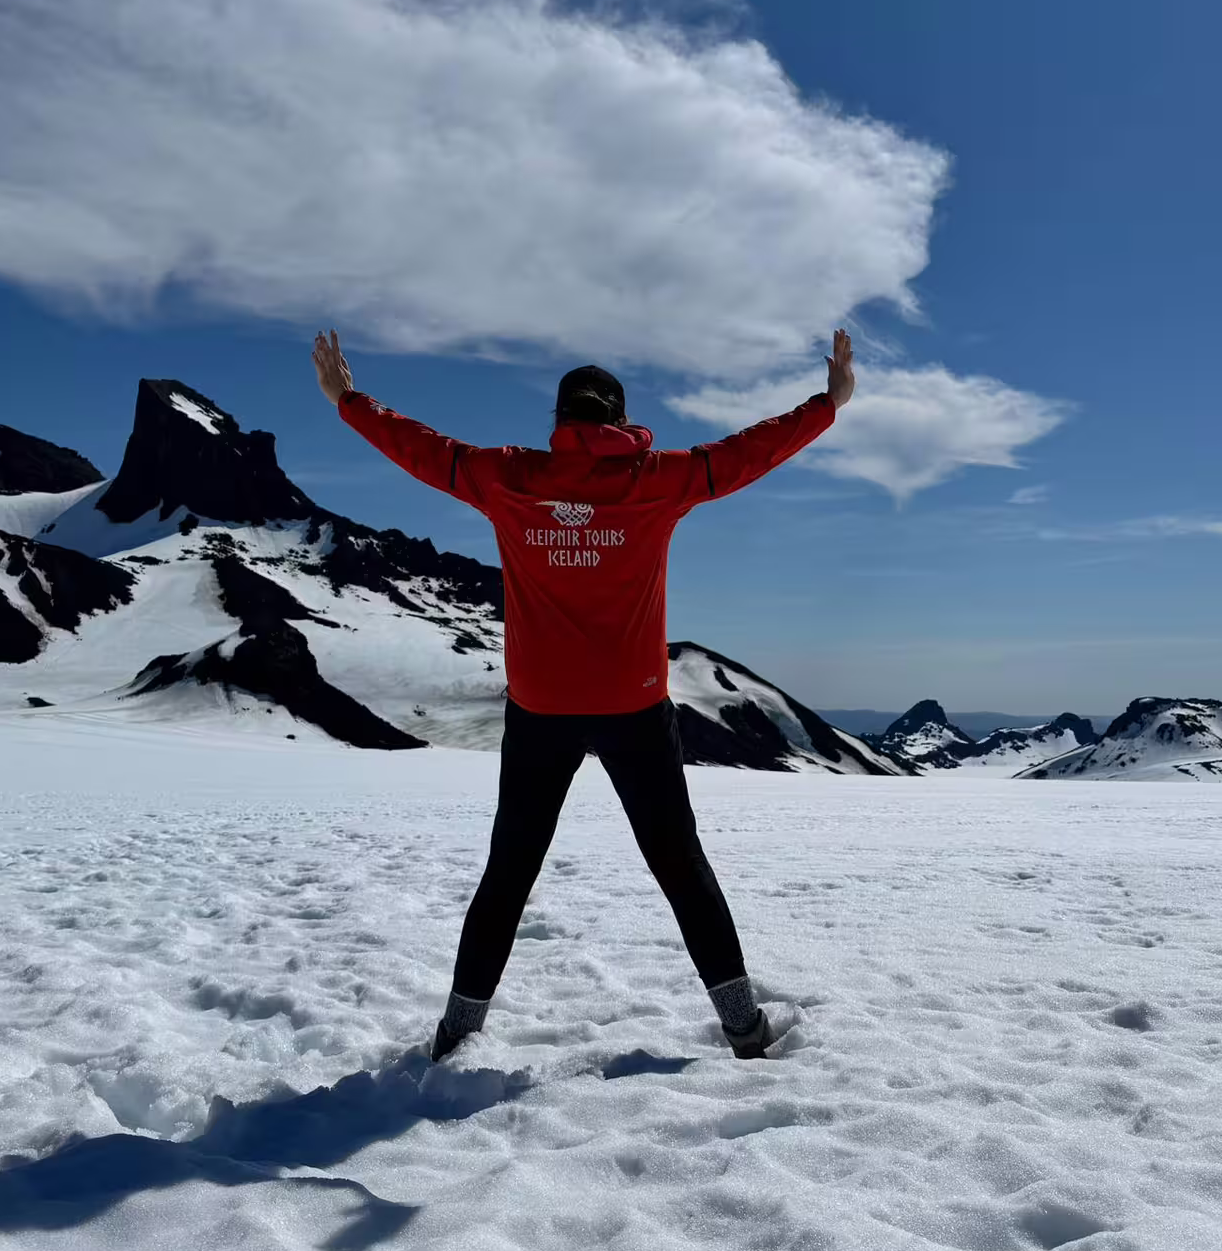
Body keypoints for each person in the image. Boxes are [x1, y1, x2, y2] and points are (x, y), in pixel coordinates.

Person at [312, 329, 856, 1061]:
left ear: (560, 421)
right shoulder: (659, 478)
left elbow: (420, 449)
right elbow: (745, 453)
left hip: (541, 711)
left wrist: (348, 400)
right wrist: (827, 405)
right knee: (680, 866)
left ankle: (455, 1037)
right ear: (619, 420)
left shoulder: (505, 476)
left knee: (510, 870)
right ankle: (743, 1029)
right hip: (633, 708)